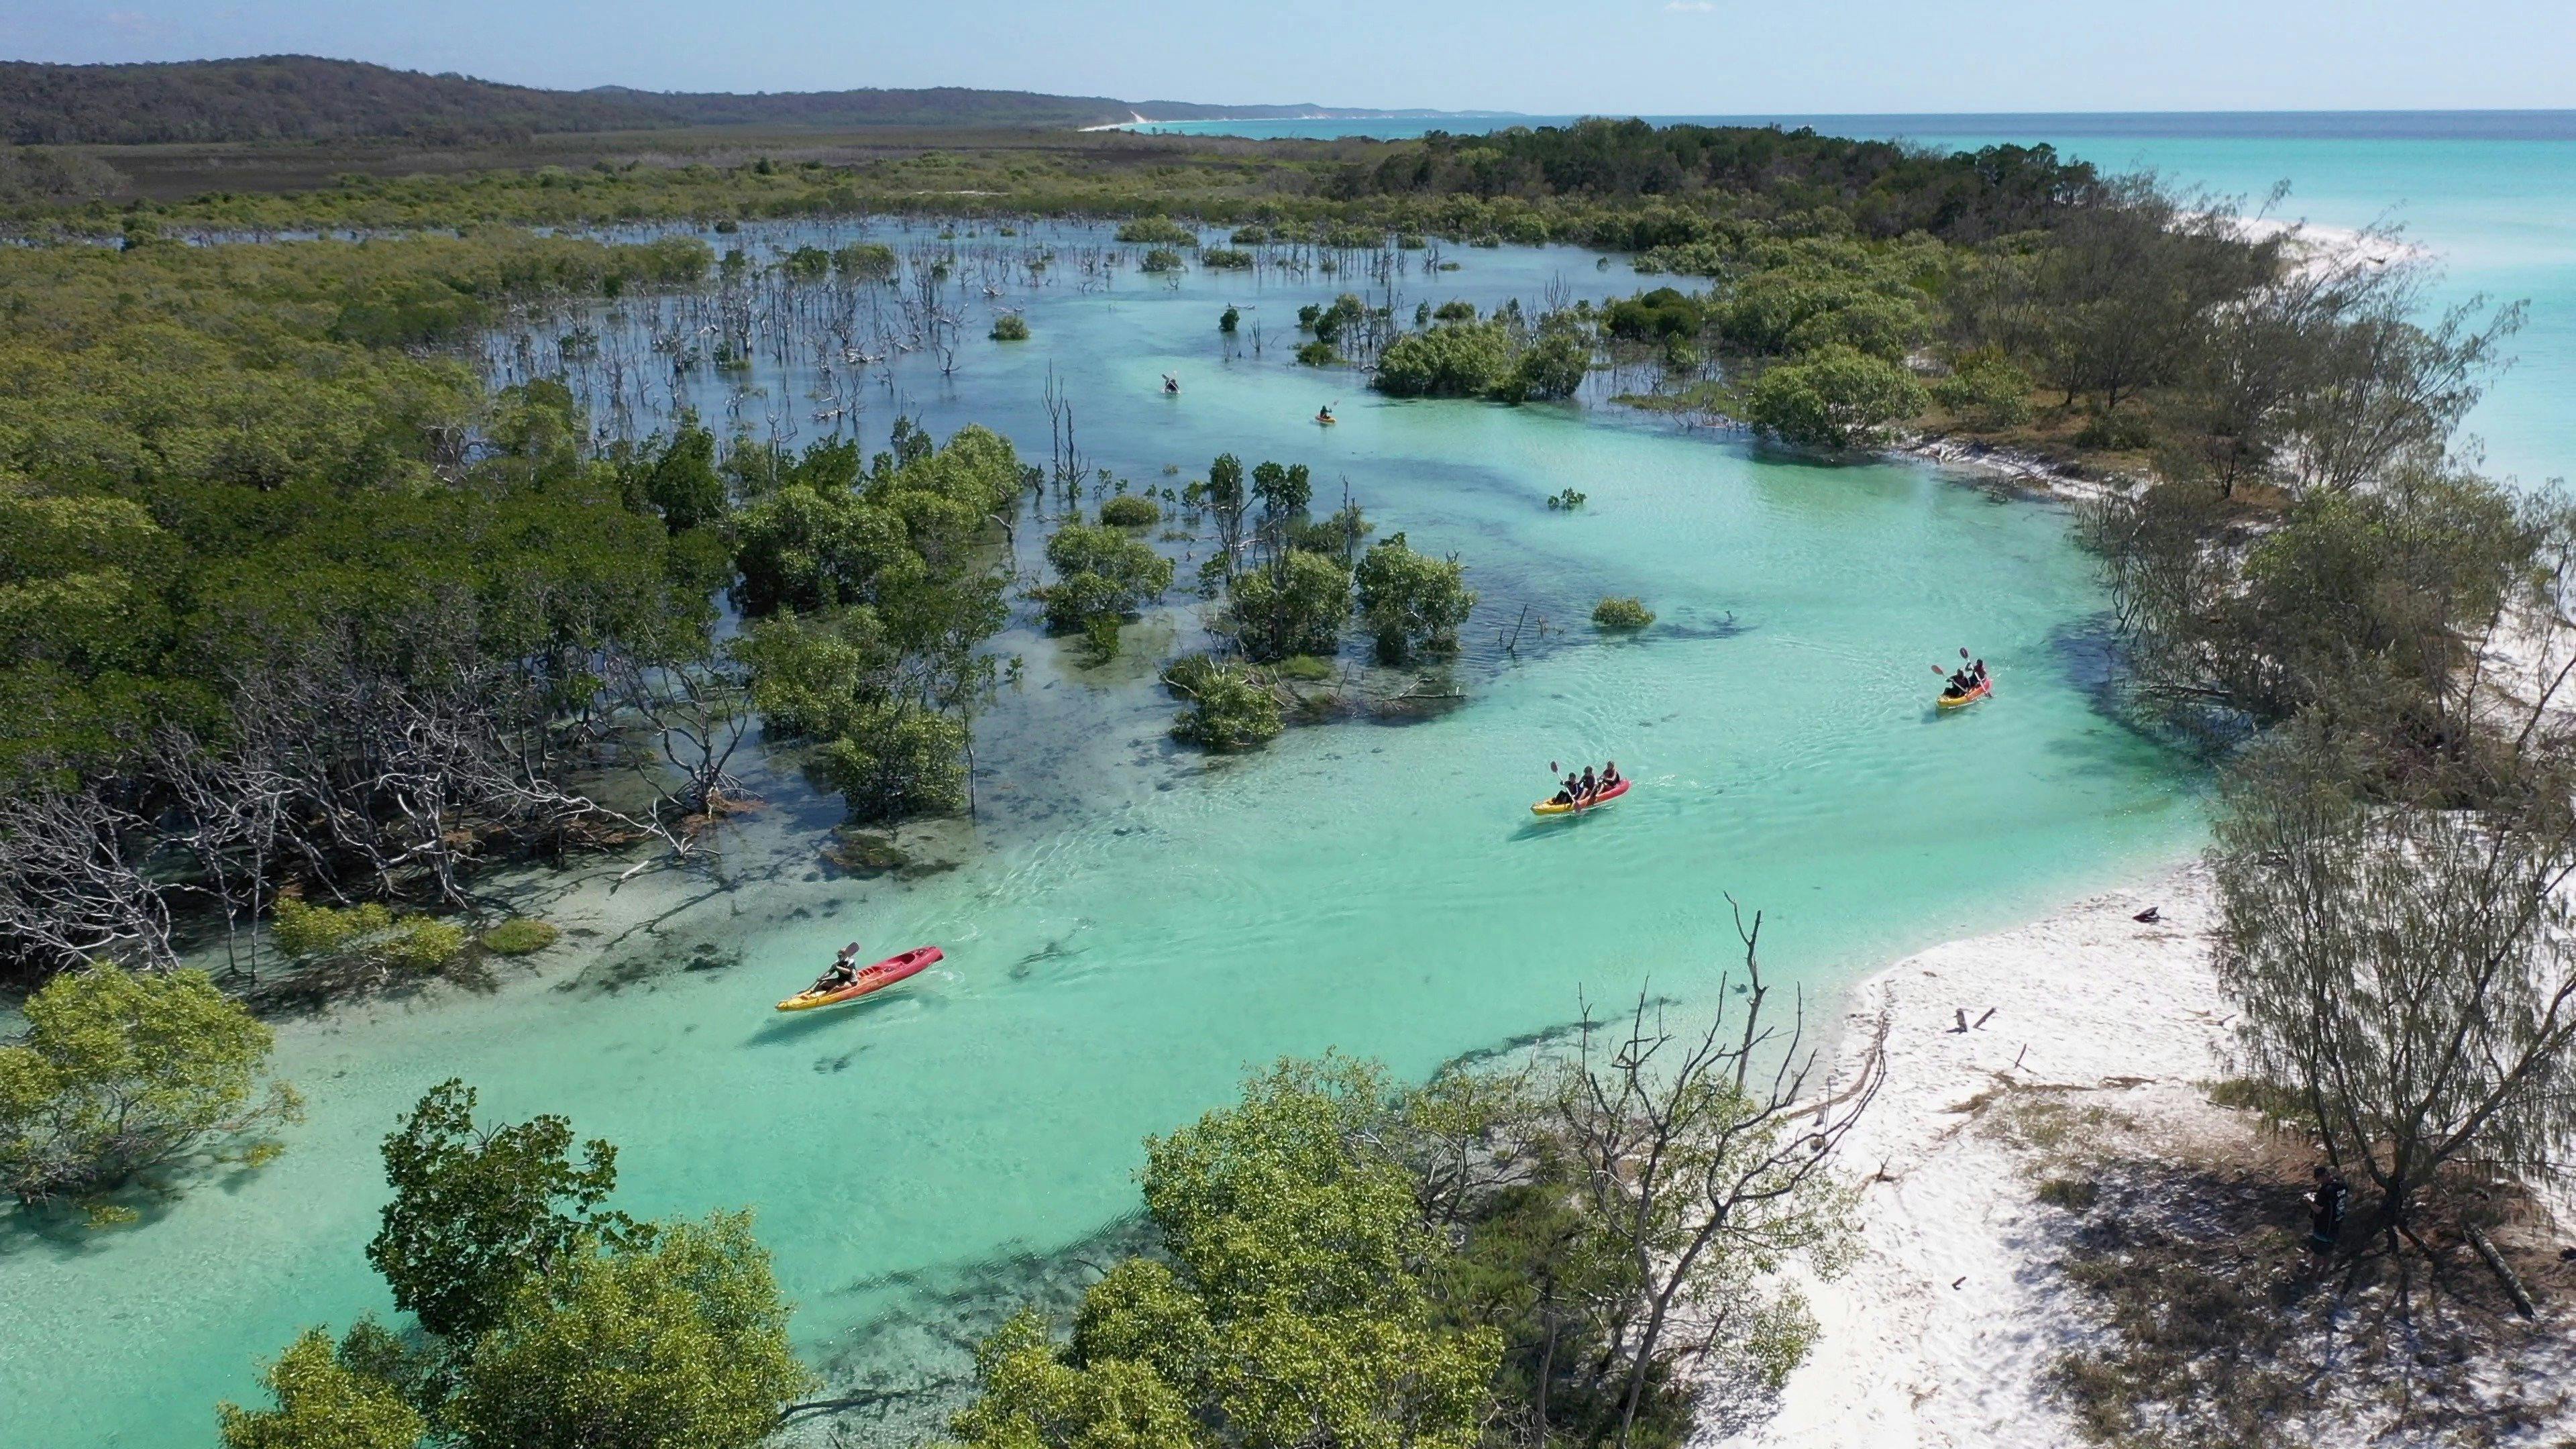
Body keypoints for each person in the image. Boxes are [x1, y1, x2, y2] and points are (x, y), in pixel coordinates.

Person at [2309, 1165, 2349, 1248]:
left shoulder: (2325, 1191)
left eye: (2318, 1179)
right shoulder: (2342, 1185)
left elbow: (2318, 1210)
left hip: (2324, 1229)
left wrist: (2309, 1202)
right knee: (2329, 1252)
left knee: (2319, 1254)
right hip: (2337, 1226)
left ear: (2321, 1177)